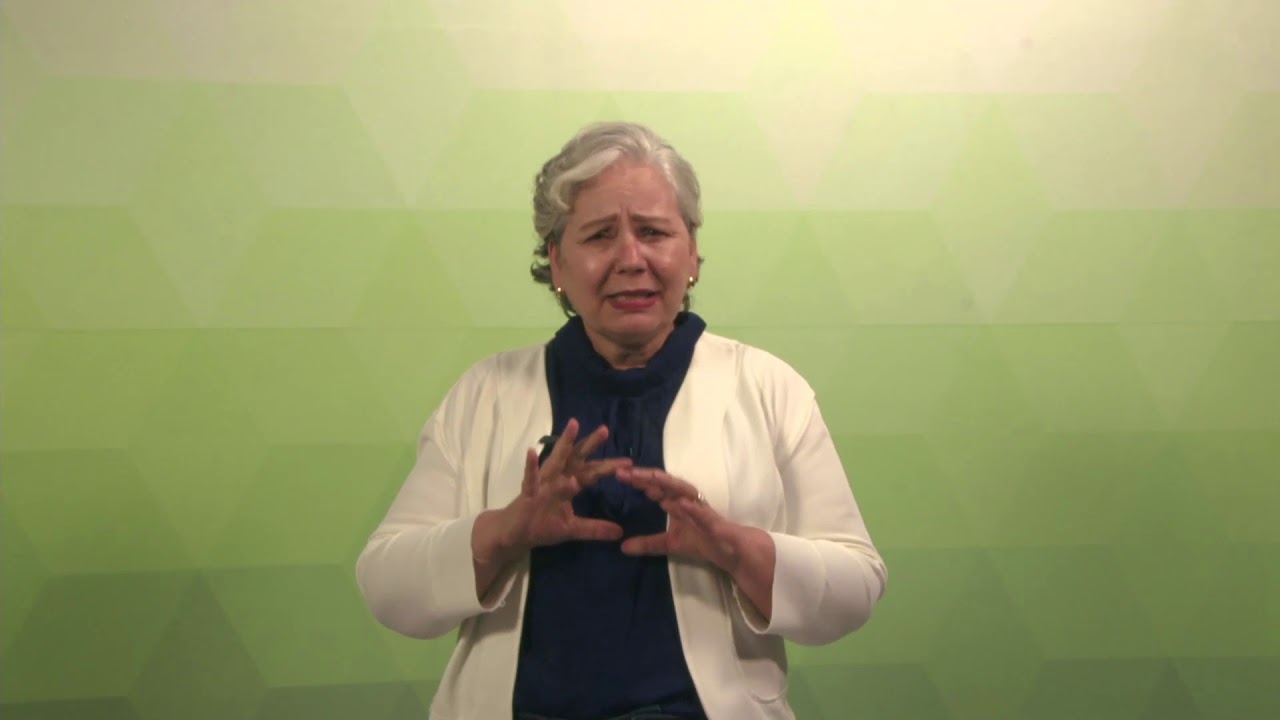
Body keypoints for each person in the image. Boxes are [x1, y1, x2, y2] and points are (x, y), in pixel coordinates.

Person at [355, 121, 887, 720]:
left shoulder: (768, 387)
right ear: (557, 262)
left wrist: (736, 549)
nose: (631, 259)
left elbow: (856, 586)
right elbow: (386, 586)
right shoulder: (485, 393)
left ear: (692, 253)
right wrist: (504, 531)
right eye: (600, 235)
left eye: (654, 232)